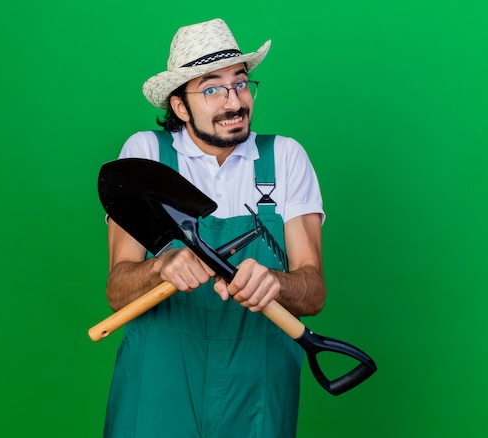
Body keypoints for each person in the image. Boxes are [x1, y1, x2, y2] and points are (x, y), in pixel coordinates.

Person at [102, 18, 326, 438]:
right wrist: (159, 268)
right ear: (179, 106)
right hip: (160, 377)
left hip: (258, 378)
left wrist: (275, 283)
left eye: (241, 83)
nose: (234, 101)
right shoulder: (146, 156)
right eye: (211, 89)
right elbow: (117, 290)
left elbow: (313, 291)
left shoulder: (285, 158)